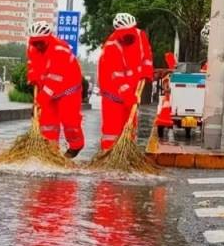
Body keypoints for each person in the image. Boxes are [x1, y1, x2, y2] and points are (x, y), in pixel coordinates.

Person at [27, 20, 85, 159]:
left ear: (48, 38)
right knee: (47, 123)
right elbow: (32, 65)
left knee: (70, 122)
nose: (38, 45)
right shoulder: (32, 47)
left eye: (40, 42)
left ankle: (76, 146)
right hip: (48, 89)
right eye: (35, 42)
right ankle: (51, 152)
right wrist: (33, 76)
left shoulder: (60, 50)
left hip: (68, 91)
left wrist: (40, 100)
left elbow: (55, 79)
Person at [98, 13, 153, 151]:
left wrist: (146, 73)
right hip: (112, 92)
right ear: (117, 32)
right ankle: (108, 154)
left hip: (133, 86)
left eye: (130, 32)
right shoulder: (111, 46)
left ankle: (127, 152)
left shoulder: (141, 36)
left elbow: (147, 56)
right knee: (112, 129)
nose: (128, 36)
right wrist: (128, 95)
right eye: (124, 34)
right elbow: (117, 76)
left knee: (130, 125)